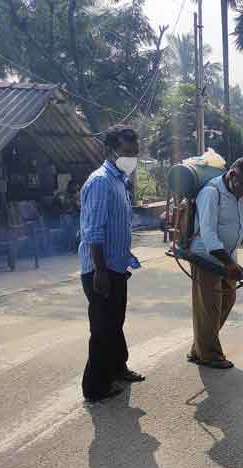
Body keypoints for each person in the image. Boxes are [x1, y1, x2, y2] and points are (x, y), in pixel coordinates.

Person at [79, 125, 144, 402]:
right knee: (102, 330)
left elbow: (117, 226)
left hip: (116, 267)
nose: (131, 157)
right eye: (126, 152)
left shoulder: (119, 181)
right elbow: (93, 230)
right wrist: (101, 271)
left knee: (115, 323)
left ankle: (118, 369)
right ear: (110, 151)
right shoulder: (101, 181)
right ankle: (95, 387)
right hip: (100, 270)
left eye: (135, 152)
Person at [187, 157, 243, 369]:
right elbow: (209, 236)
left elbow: (234, 227)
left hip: (227, 256)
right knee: (209, 308)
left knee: (228, 299)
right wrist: (229, 263)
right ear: (231, 175)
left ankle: (198, 348)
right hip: (206, 257)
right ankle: (209, 355)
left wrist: (233, 261)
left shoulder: (240, 193)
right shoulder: (211, 193)